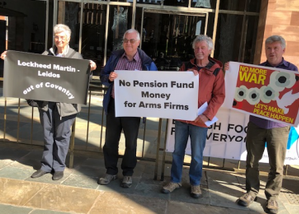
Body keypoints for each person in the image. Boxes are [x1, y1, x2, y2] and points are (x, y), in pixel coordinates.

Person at [226, 35, 299, 214]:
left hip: (279, 126)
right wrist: (230, 71)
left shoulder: (293, 70)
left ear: (283, 50)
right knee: (252, 162)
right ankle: (251, 191)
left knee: (277, 166)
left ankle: (272, 197)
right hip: (256, 123)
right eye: (269, 48)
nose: (272, 52)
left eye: (275, 48)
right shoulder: (258, 70)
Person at [0, 24, 97, 181]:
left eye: (62, 37)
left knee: (62, 136)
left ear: (69, 39)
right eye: (56, 37)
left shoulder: (76, 57)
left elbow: (82, 80)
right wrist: (10, 58)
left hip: (66, 106)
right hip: (47, 103)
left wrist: (90, 69)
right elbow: (31, 68)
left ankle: (58, 167)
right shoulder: (46, 54)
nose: (59, 40)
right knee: (48, 135)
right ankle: (46, 165)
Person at [161, 35, 226, 198]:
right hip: (183, 117)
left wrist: (207, 115)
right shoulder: (185, 66)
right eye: (197, 48)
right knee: (177, 152)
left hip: (200, 119)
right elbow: (176, 89)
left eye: (203, 48)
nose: (199, 51)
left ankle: (195, 183)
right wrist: (184, 78)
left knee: (197, 154)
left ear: (209, 50)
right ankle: (175, 180)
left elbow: (219, 96)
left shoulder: (216, 70)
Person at [98, 28, 157, 188]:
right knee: (110, 141)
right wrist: (108, 78)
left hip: (133, 109)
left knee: (131, 143)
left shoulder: (147, 63)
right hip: (114, 106)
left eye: (132, 40)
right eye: (125, 40)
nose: (128, 43)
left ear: (138, 43)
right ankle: (110, 171)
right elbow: (102, 76)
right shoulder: (115, 57)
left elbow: (155, 85)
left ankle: (128, 173)